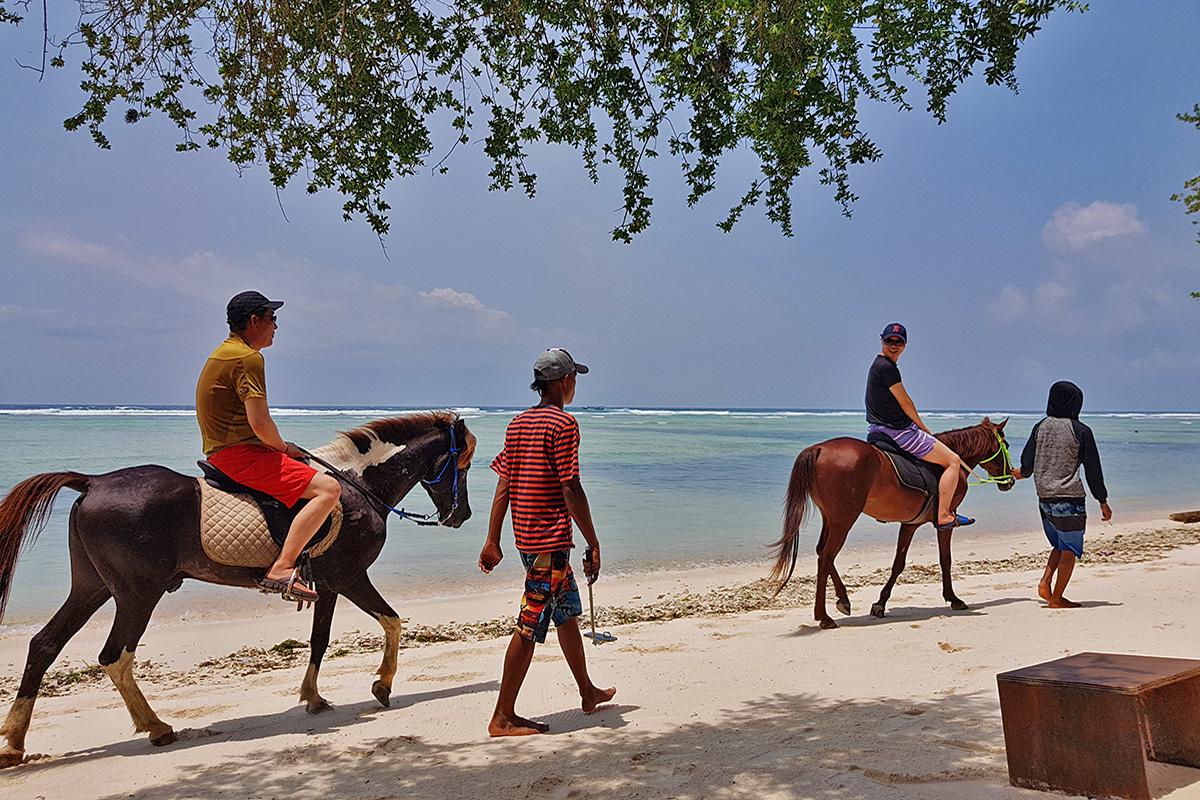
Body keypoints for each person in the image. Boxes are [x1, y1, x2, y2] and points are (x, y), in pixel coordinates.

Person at [478, 348, 616, 736]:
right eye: (574, 378)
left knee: (566, 612)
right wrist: (593, 540)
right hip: (549, 540)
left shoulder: (517, 424)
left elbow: (504, 483)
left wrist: (493, 539)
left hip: (526, 537)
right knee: (529, 624)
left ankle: (587, 692)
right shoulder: (563, 424)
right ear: (564, 381)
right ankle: (502, 716)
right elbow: (570, 486)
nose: (575, 385)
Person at [195, 291, 341, 603]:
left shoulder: (221, 353)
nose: (276, 327)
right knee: (329, 489)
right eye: (272, 319)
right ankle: (283, 567)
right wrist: (284, 448)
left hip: (220, 451)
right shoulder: (248, 358)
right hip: (240, 456)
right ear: (254, 321)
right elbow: (260, 423)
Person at [1013, 380, 1112, 608]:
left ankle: (1046, 582)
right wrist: (1103, 501)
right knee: (1069, 550)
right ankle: (1057, 599)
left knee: (1059, 543)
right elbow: (1093, 470)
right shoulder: (1081, 431)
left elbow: (1027, 463)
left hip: (1044, 498)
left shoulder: (1040, 427)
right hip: (1069, 498)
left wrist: (1022, 473)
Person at [866, 322, 973, 530]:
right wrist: (923, 427)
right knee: (953, 461)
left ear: (905, 345)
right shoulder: (887, 368)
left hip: (877, 429)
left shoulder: (878, 365)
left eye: (898, 342)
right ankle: (943, 514)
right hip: (898, 431)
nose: (894, 345)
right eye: (889, 341)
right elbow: (905, 402)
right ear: (882, 341)